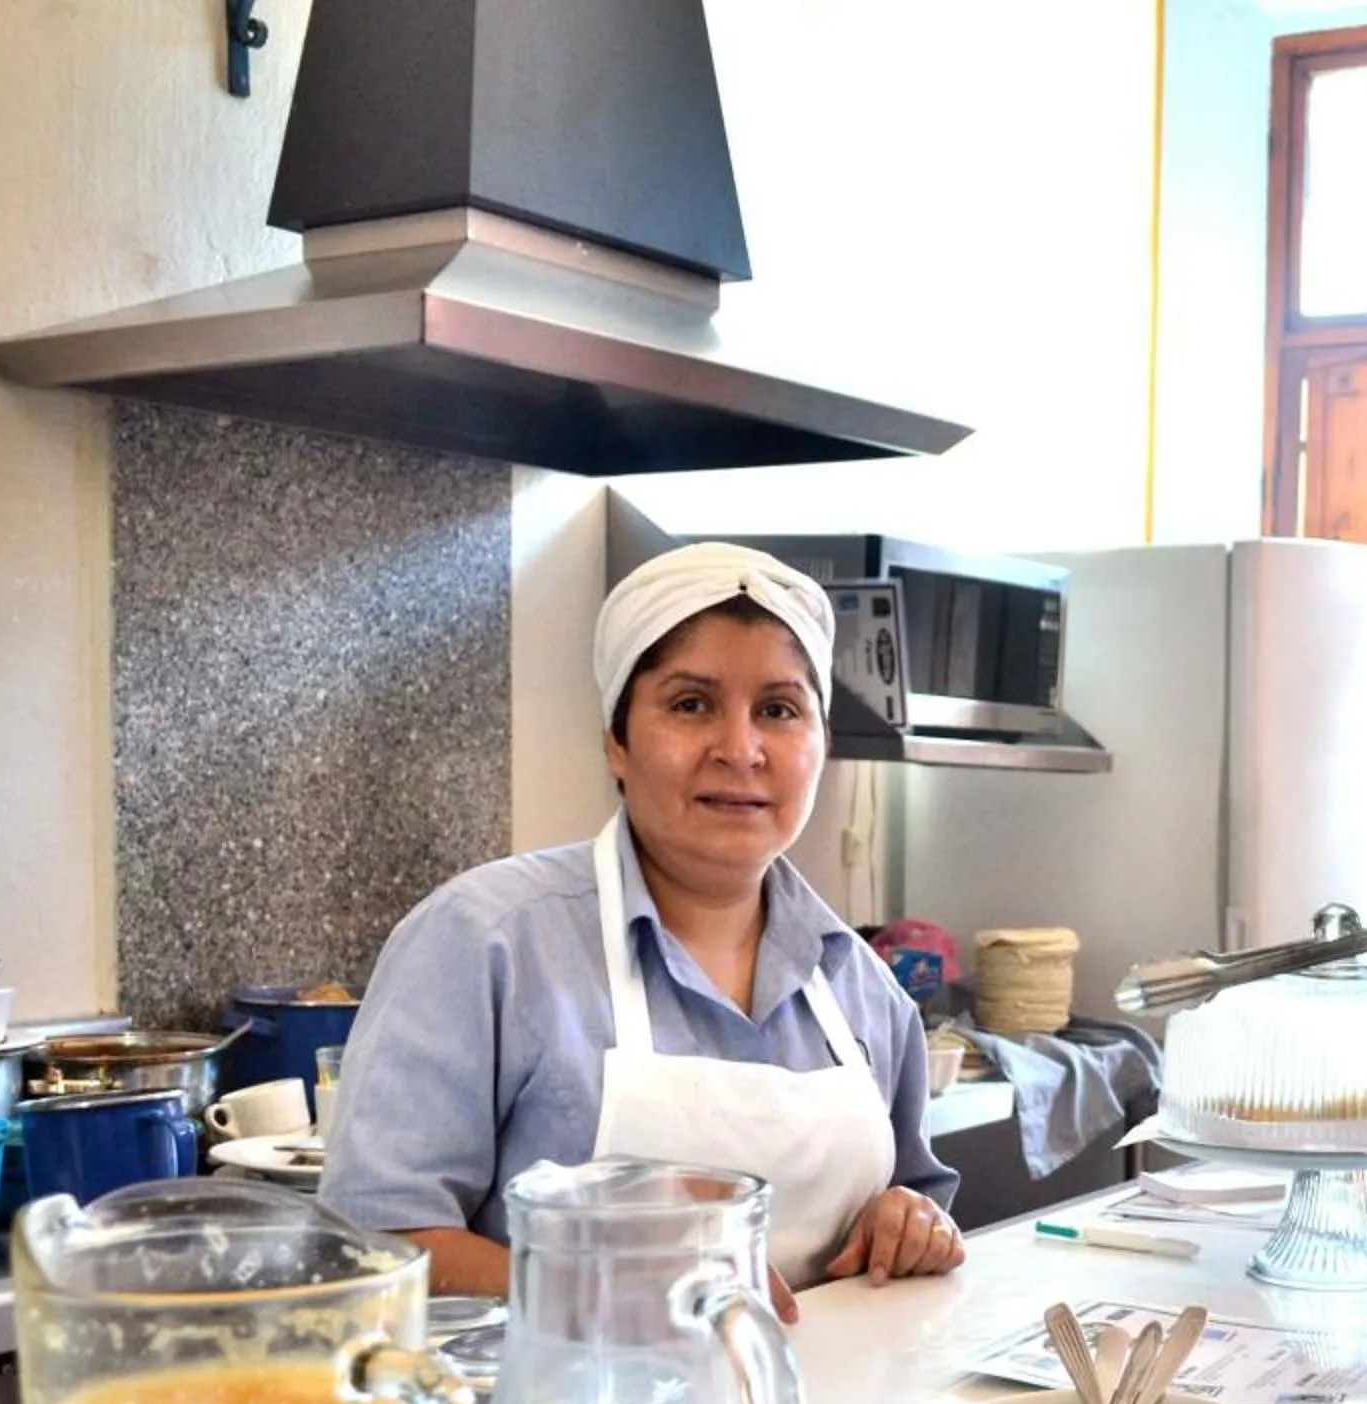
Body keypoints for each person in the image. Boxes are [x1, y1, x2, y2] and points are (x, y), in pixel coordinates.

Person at [320, 542, 964, 1317]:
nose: (740, 750)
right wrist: (610, 1290)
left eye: (779, 710)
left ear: (820, 744)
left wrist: (908, 1224)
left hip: (823, 1394)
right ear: (616, 741)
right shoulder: (486, 941)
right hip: (566, 1393)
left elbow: (909, 1203)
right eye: (691, 704)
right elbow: (373, 1246)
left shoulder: (859, 984)